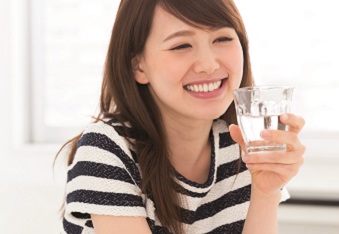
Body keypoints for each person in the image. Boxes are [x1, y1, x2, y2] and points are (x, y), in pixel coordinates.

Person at [58, 0, 306, 233]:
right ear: (139, 67)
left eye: (222, 38)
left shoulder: (241, 144)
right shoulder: (108, 149)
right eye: (181, 45)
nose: (208, 65)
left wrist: (266, 192)